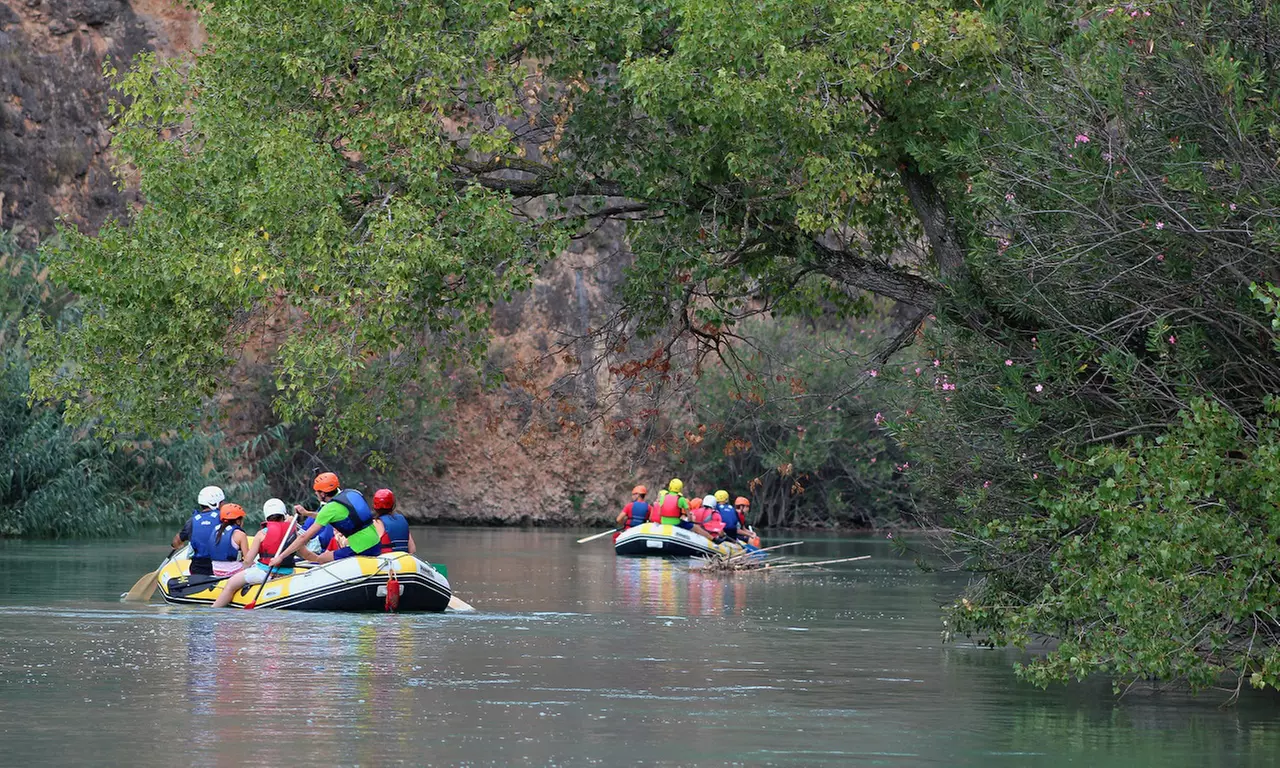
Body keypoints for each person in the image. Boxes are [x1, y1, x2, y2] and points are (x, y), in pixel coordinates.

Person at [270, 472, 382, 567]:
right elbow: (328, 516)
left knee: (322, 558)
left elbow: (304, 537)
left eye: (317, 491)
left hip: (362, 548)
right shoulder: (352, 493)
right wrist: (306, 513)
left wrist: (280, 557)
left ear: (323, 494)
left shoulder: (329, 508)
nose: (316, 494)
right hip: (376, 542)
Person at [211, 499, 304, 608]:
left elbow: (248, 561)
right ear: (284, 514)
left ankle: (214, 609)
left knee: (230, 584)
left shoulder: (261, 534)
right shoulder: (293, 532)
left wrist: (244, 569)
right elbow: (304, 552)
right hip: (288, 572)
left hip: (264, 573)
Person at [179, 486, 226, 576]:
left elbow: (178, 540)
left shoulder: (192, 521)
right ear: (215, 503)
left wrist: (175, 545)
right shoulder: (224, 519)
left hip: (197, 569)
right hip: (218, 568)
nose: (223, 504)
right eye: (222, 502)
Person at [201, 503, 250, 577]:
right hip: (233, 572)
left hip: (216, 571)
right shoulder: (240, 534)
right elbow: (247, 559)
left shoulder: (215, 529)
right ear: (238, 521)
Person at [374, 488, 415, 555]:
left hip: (385, 563)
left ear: (375, 506)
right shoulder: (402, 520)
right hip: (403, 561)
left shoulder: (375, 523)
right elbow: (412, 550)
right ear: (393, 505)